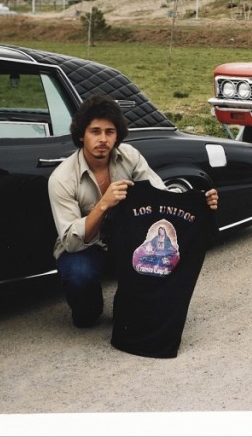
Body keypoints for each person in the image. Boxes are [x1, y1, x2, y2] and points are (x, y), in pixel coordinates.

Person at [47, 94, 219, 328]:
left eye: (110, 132)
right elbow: (71, 242)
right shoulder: (62, 178)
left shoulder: (129, 156)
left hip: (126, 237)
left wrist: (198, 200)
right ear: (81, 134)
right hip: (87, 245)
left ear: (117, 135)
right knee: (79, 276)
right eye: (95, 131)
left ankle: (140, 306)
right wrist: (104, 204)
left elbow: (162, 194)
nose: (103, 139)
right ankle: (88, 310)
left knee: (159, 255)